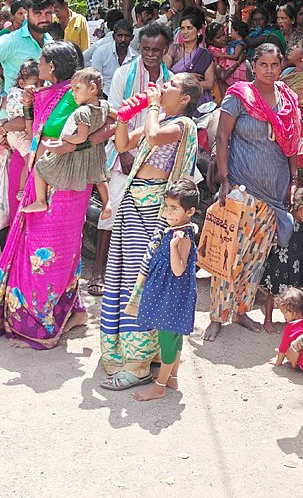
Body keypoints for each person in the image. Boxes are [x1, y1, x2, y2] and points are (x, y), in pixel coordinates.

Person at [0, 42, 102, 348]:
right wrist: (32, 107)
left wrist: (74, 145)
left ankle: (42, 322)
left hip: (64, 184)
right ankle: (71, 311)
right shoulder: (54, 94)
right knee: (53, 247)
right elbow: (37, 135)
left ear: (52, 67)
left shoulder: (76, 95)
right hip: (52, 178)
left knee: (47, 251)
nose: (38, 65)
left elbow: (102, 129)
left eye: (42, 62)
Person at [100, 74, 201, 390]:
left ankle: (139, 364)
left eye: (171, 86)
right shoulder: (159, 120)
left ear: (184, 98)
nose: (163, 87)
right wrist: (124, 118)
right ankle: (144, 355)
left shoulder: (182, 125)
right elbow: (122, 144)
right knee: (127, 277)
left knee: (142, 283)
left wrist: (152, 106)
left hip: (158, 207)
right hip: (135, 202)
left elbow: (155, 137)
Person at [204, 44, 301, 342]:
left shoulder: (288, 97)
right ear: (252, 66)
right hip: (242, 189)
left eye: (275, 64)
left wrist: (293, 179)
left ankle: (242, 311)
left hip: (274, 191)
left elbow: (292, 141)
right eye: (263, 65)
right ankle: (218, 316)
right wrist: (224, 179)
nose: (269, 70)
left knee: (256, 257)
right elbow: (222, 136)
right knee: (229, 254)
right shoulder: (239, 96)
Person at [94, 23, 173, 295]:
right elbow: (115, 114)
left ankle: (141, 277)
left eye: (157, 50)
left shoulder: (170, 80)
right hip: (122, 153)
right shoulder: (123, 74)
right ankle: (99, 271)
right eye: (147, 49)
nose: (151, 54)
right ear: (140, 48)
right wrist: (123, 152)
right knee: (113, 210)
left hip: (155, 157)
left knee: (154, 219)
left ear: (165, 50)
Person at [128, 179, 201, 402]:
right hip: (169, 295)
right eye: (166, 206)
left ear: (189, 211)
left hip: (171, 298)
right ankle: (172, 377)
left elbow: (178, 270)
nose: (168, 211)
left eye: (174, 208)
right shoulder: (175, 229)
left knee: (167, 340)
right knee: (174, 337)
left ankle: (159, 386)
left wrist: (172, 247)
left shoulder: (183, 237)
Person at [26, 67, 110, 214]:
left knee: (40, 167)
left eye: (77, 88)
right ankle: (107, 203)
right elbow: (117, 117)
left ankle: (40, 201)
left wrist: (65, 139)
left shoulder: (82, 112)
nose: (73, 93)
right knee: (100, 177)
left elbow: (81, 137)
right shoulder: (104, 106)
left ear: (92, 88)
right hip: (96, 153)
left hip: (77, 153)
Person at [261, 187, 303, 333]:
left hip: (298, 266)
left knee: (295, 295)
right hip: (281, 265)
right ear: (301, 208)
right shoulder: (286, 220)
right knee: (273, 293)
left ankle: (292, 320)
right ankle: (268, 320)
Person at [166, 9, 215, 104]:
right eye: (182, 28)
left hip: (199, 101)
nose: (185, 32)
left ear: (199, 31)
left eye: (189, 28)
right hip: (176, 99)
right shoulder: (172, 50)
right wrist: (188, 78)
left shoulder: (205, 55)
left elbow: (210, 83)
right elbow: (164, 75)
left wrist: (188, 86)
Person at [89, 19, 136, 94]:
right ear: (114, 36)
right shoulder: (101, 53)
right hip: (103, 96)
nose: (123, 39)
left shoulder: (136, 58)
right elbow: (95, 80)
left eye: (127, 36)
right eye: (120, 36)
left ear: (132, 37)